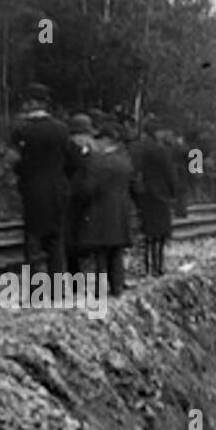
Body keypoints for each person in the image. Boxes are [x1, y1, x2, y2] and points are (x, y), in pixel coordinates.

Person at [10, 82, 78, 279]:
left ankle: (35, 291)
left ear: (31, 103)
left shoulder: (22, 130)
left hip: (32, 191)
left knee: (33, 240)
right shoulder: (62, 129)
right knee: (55, 240)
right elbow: (73, 161)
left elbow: (18, 162)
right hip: (58, 189)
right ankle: (57, 290)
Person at [76, 120, 135, 298]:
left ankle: (100, 291)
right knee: (116, 252)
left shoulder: (98, 163)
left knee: (100, 254)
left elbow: (87, 189)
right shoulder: (125, 162)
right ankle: (117, 288)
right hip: (121, 213)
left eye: (99, 139)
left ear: (106, 140)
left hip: (100, 212)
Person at [131, 117, 176, 277]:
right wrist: (173, 191)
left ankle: (147, 266)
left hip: (143, 194)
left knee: (148, 233)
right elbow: (169, 173)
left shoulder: (137, 147)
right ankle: (158, 266)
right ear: (156, 132)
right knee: (160, 234)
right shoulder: (161, 150)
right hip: (160, 194)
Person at [64, 113, 97, 274]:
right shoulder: (92, 149)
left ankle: (78, 271)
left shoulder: (73, 148)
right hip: (84, 197)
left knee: (75, 235)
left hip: (79, 196)